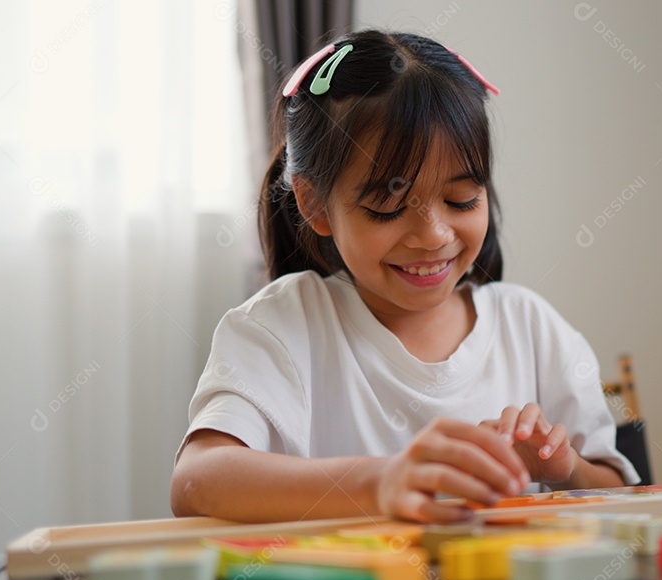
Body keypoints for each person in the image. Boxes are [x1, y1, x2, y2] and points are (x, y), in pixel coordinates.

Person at [170, 29, 638, 524]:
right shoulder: (281, 327)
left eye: (462, 200)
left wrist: (564, 470)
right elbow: (197, 480)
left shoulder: (531, 328)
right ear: (314, 203)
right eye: (388, 207)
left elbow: (624, 494)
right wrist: (379, 482)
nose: (433, 235)